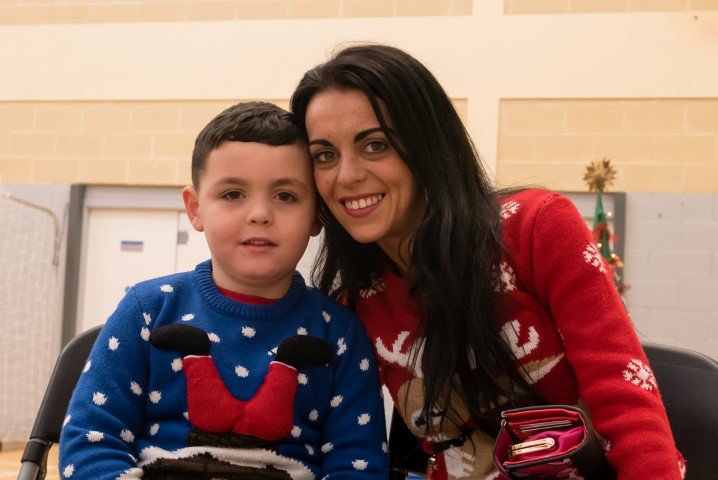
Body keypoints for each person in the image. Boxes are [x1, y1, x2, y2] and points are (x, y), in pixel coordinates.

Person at [290, 44, 686, 480]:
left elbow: (625, 397)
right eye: (324, 155)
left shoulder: (536, 229)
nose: (346, 175)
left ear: (428, 146)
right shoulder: (355, 305)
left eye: (375, 145)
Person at [58, 102, 389, 480]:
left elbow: (359, 466)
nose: (260, 214)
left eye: (285, 196)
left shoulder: (340, 332)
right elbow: (91, 442)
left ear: (317, 215)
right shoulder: (147, 310)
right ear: (196, 208)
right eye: (233, 194)